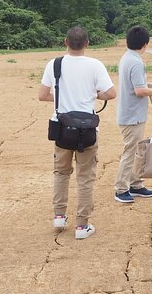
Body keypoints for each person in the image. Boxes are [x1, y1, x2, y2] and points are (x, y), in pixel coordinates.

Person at [38, 26, 116, 239]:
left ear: (65, 41)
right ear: (87, 43)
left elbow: (42, 94)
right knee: (85, 177)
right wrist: (93, 95)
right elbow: (111, 93)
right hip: (87, 131)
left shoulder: (54, 64)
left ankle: (59, 216)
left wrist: (60, 99)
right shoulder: (95, 65)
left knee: (61, 173)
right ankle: (82, 226)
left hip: (61, 129)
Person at [114, 26, 152, 203]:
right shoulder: (136, 62)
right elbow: (138, 90)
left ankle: (135, 184)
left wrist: (151, 84)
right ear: (145, 44)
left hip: (130, 113)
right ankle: (121, 189)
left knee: (135, 150)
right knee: (130, 152)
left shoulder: (127, 57)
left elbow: (136, 84)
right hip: (132, 115)